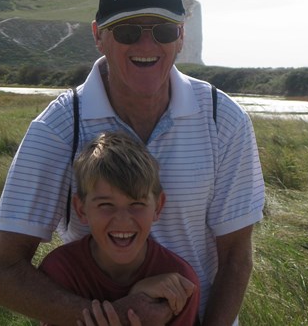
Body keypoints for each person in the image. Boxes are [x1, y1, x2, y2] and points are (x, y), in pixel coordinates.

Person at [0, 0, 265, 325]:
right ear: (98, 35)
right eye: (128, 31)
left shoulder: (223, 119)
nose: (147, 44)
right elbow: (2, 275)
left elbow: (236, 259)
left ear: (180, 36)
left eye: (163, 30)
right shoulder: (56, 128)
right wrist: (112, 317)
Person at [38, 131, 200, 326]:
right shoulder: (60, 272)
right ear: (81, 209)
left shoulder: (179, 284)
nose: (123, 220)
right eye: (106, 205)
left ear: (157, 207)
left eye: (136, 204)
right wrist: (133, 303)